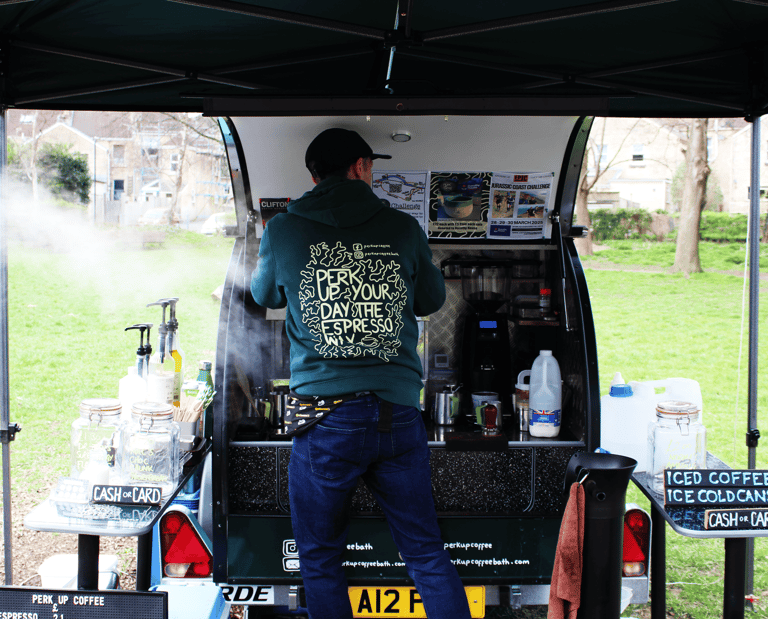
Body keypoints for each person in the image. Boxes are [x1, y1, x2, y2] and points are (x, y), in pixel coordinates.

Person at [251, 128, 471, 619]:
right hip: (397, 412)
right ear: (361, 167)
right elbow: (432, 301)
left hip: (325, 418)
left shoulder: (284, 229)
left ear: (313, 175)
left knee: (321, 557)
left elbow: (264, 295)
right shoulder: (402, 227)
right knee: (424, 552)